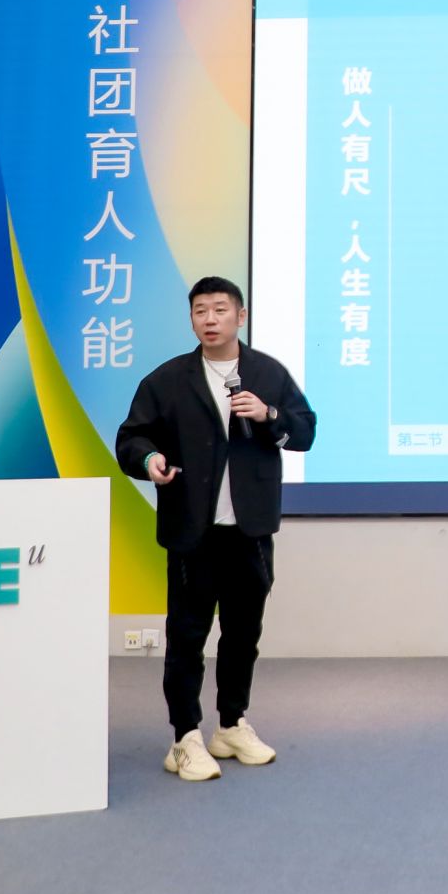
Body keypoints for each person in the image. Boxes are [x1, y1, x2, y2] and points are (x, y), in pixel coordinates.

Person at [115, 277, 316, 783]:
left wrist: (269, 414)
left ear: (240, 317)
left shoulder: (267, 374)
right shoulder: (167, 380)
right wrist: (150, 460)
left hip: (249, 530)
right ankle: (185, 737)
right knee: (187, 636)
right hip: (193, 530)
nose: (210, 319)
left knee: (243, 634)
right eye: (200, 310)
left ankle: (230, 724)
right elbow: (131, 439)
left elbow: (305, 432)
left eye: (220, 309)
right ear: (191, 319)